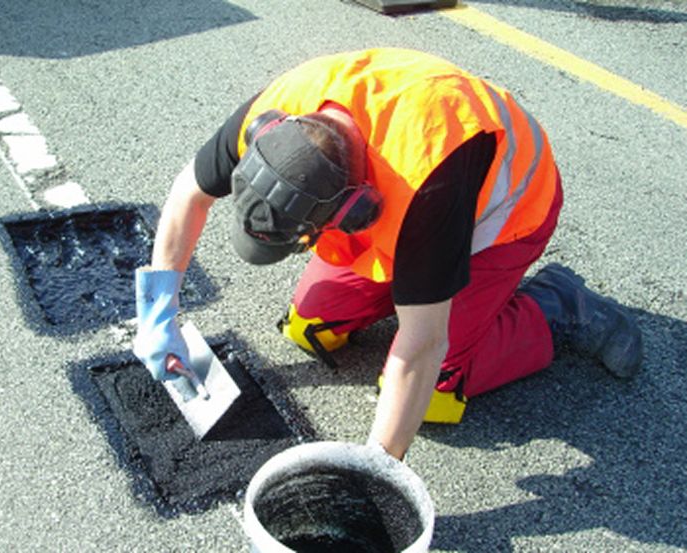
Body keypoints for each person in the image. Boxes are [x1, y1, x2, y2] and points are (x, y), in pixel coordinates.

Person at [133, 48, 642, 460]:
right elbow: (188, 195)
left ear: (355, 208)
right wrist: (159, 313)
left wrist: (377, 469)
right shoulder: (277, 111)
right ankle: (414, 289)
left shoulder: (427, 189)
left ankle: (555, 304)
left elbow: (422, 343)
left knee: (436, 392)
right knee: (309, 327)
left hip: (501, 220)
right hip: (400, 197)